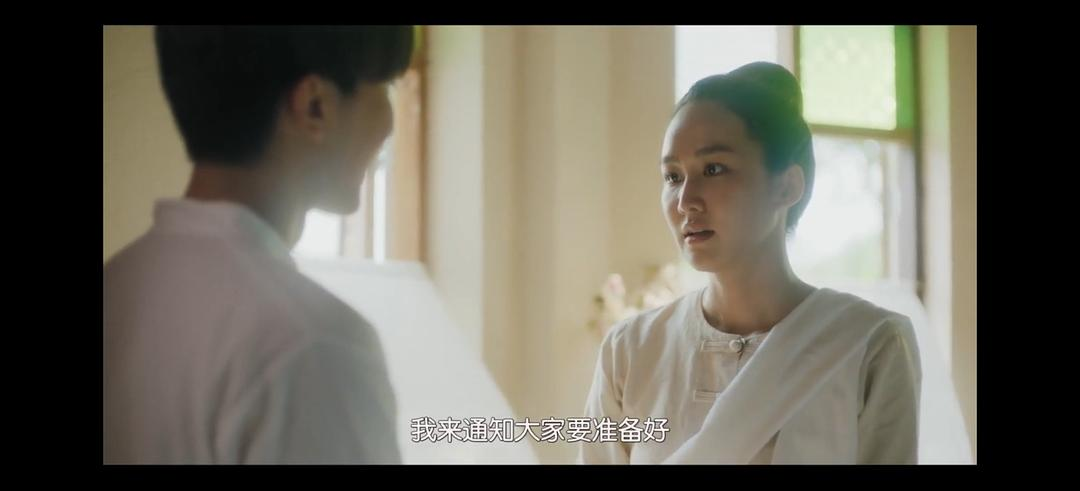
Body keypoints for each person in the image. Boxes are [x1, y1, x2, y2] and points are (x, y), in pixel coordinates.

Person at [580, 61, 921, 464]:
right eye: (672, 176)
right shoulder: (631, 350)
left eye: (713, 169)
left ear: (788, 186)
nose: (686, 201)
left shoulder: (868, 343)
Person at [104, 26, 414, 464]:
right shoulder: (312, 344)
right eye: (385, 87)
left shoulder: (117, 288)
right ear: (315, 106)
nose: (389, 123)